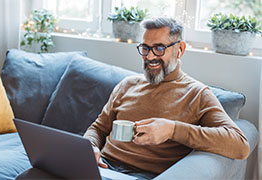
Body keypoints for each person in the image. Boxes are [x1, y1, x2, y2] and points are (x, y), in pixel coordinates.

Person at [84, 17, 250, 180]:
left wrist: (172, 130)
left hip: (144, 175)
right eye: (145, 48)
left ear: (180, 49)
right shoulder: (127, 85)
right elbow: (98, 128)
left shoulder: (197, 94)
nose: (149, 57)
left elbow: (240, 145)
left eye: (159, 48)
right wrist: (90, 147)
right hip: (102, 167)